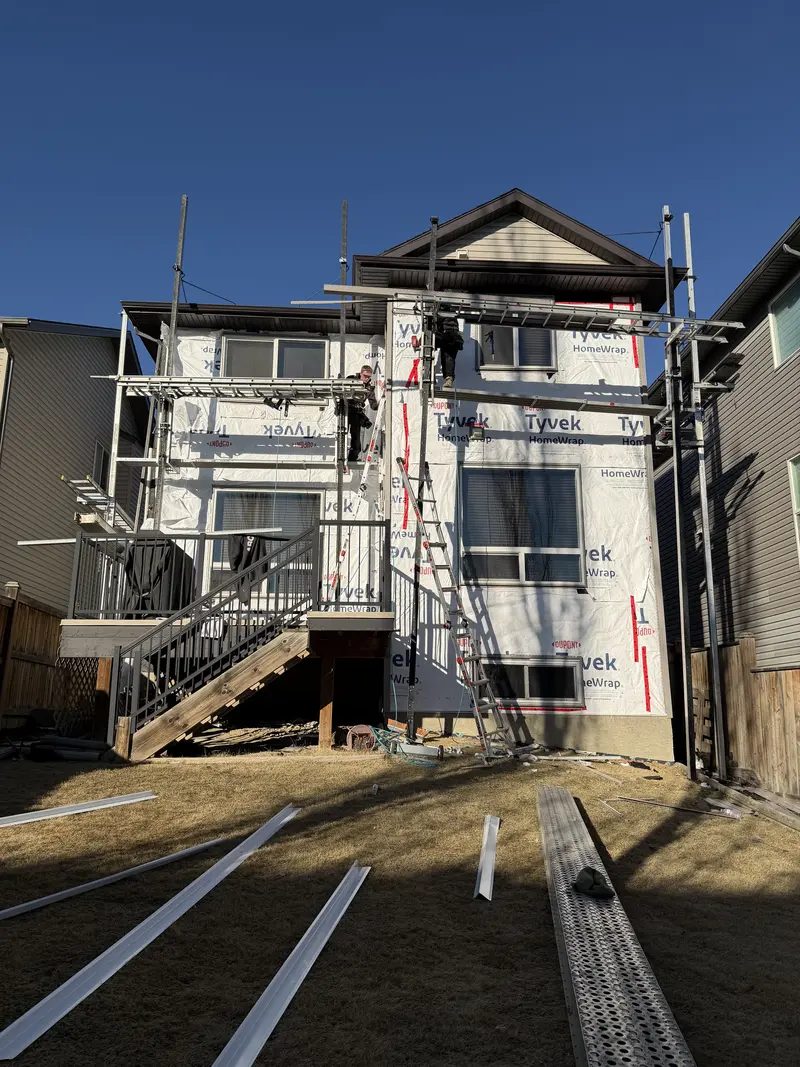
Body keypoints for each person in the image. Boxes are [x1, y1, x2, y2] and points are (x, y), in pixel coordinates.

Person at [341, 364, 378, 462]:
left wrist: (383, 401)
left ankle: (352, 459)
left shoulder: (369, 387)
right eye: (365, 376)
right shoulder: (351, 379)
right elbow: (342, 389)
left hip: (356, 413)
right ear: (361, 374)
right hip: (344, 411)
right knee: (341, 434)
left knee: (356, 439)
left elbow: (373, 405)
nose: (367, 379)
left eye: (369, 377)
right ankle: (340, 458)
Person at [435, 315, 464, 388]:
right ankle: (449, 379)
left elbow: (435, 325)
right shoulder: (450, 313)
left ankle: (430, 374)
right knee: (448, 357)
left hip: (449, 336)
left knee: (447, 356)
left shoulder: (441, 312)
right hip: (454, 338)